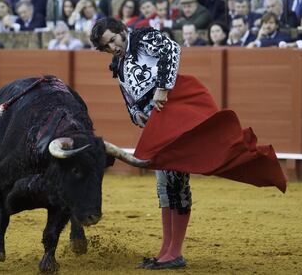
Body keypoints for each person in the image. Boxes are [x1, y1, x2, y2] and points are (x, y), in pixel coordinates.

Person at [90, 17, 286, 270]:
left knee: (176, 183)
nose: (113, 46)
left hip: (174, 118)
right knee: (164, 186)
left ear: (121, 30)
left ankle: (175, 252)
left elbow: (171, 49)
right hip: (157, 126)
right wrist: (138, 116)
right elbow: (131, 102)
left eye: (114, 39)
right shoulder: (118, 65)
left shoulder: (141, 38)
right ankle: (165, 251)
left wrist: (162, 88)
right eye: (107, 45)